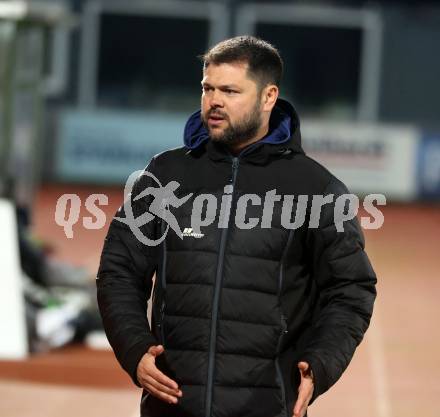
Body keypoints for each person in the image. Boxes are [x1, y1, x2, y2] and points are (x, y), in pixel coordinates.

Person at [97, 36, 377, 417]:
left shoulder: (316, 189)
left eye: (229, 90)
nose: (214, 100)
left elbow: (350, 288)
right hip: (173, 405)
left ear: (268, 97)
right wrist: (133, 347)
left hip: (266, 405)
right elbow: (118, 270)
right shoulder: (163, 176)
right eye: (207, 88)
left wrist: (321, 362)